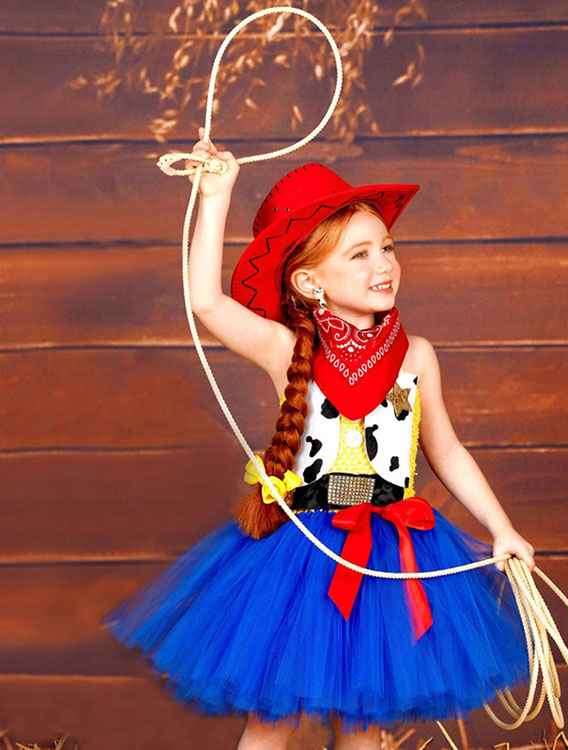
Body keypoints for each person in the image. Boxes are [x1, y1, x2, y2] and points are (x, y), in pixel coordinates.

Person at [103, 127, 536, 750]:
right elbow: (205, 302)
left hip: (391, 554)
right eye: (359, 255)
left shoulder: (416, 356)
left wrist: (501, 528)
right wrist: (217, 195)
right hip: (305, 554)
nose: (383, 264)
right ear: (309, 283)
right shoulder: (286, 348)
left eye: (386, 247)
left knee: (366, 721)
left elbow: (445, 451)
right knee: (273, 717)